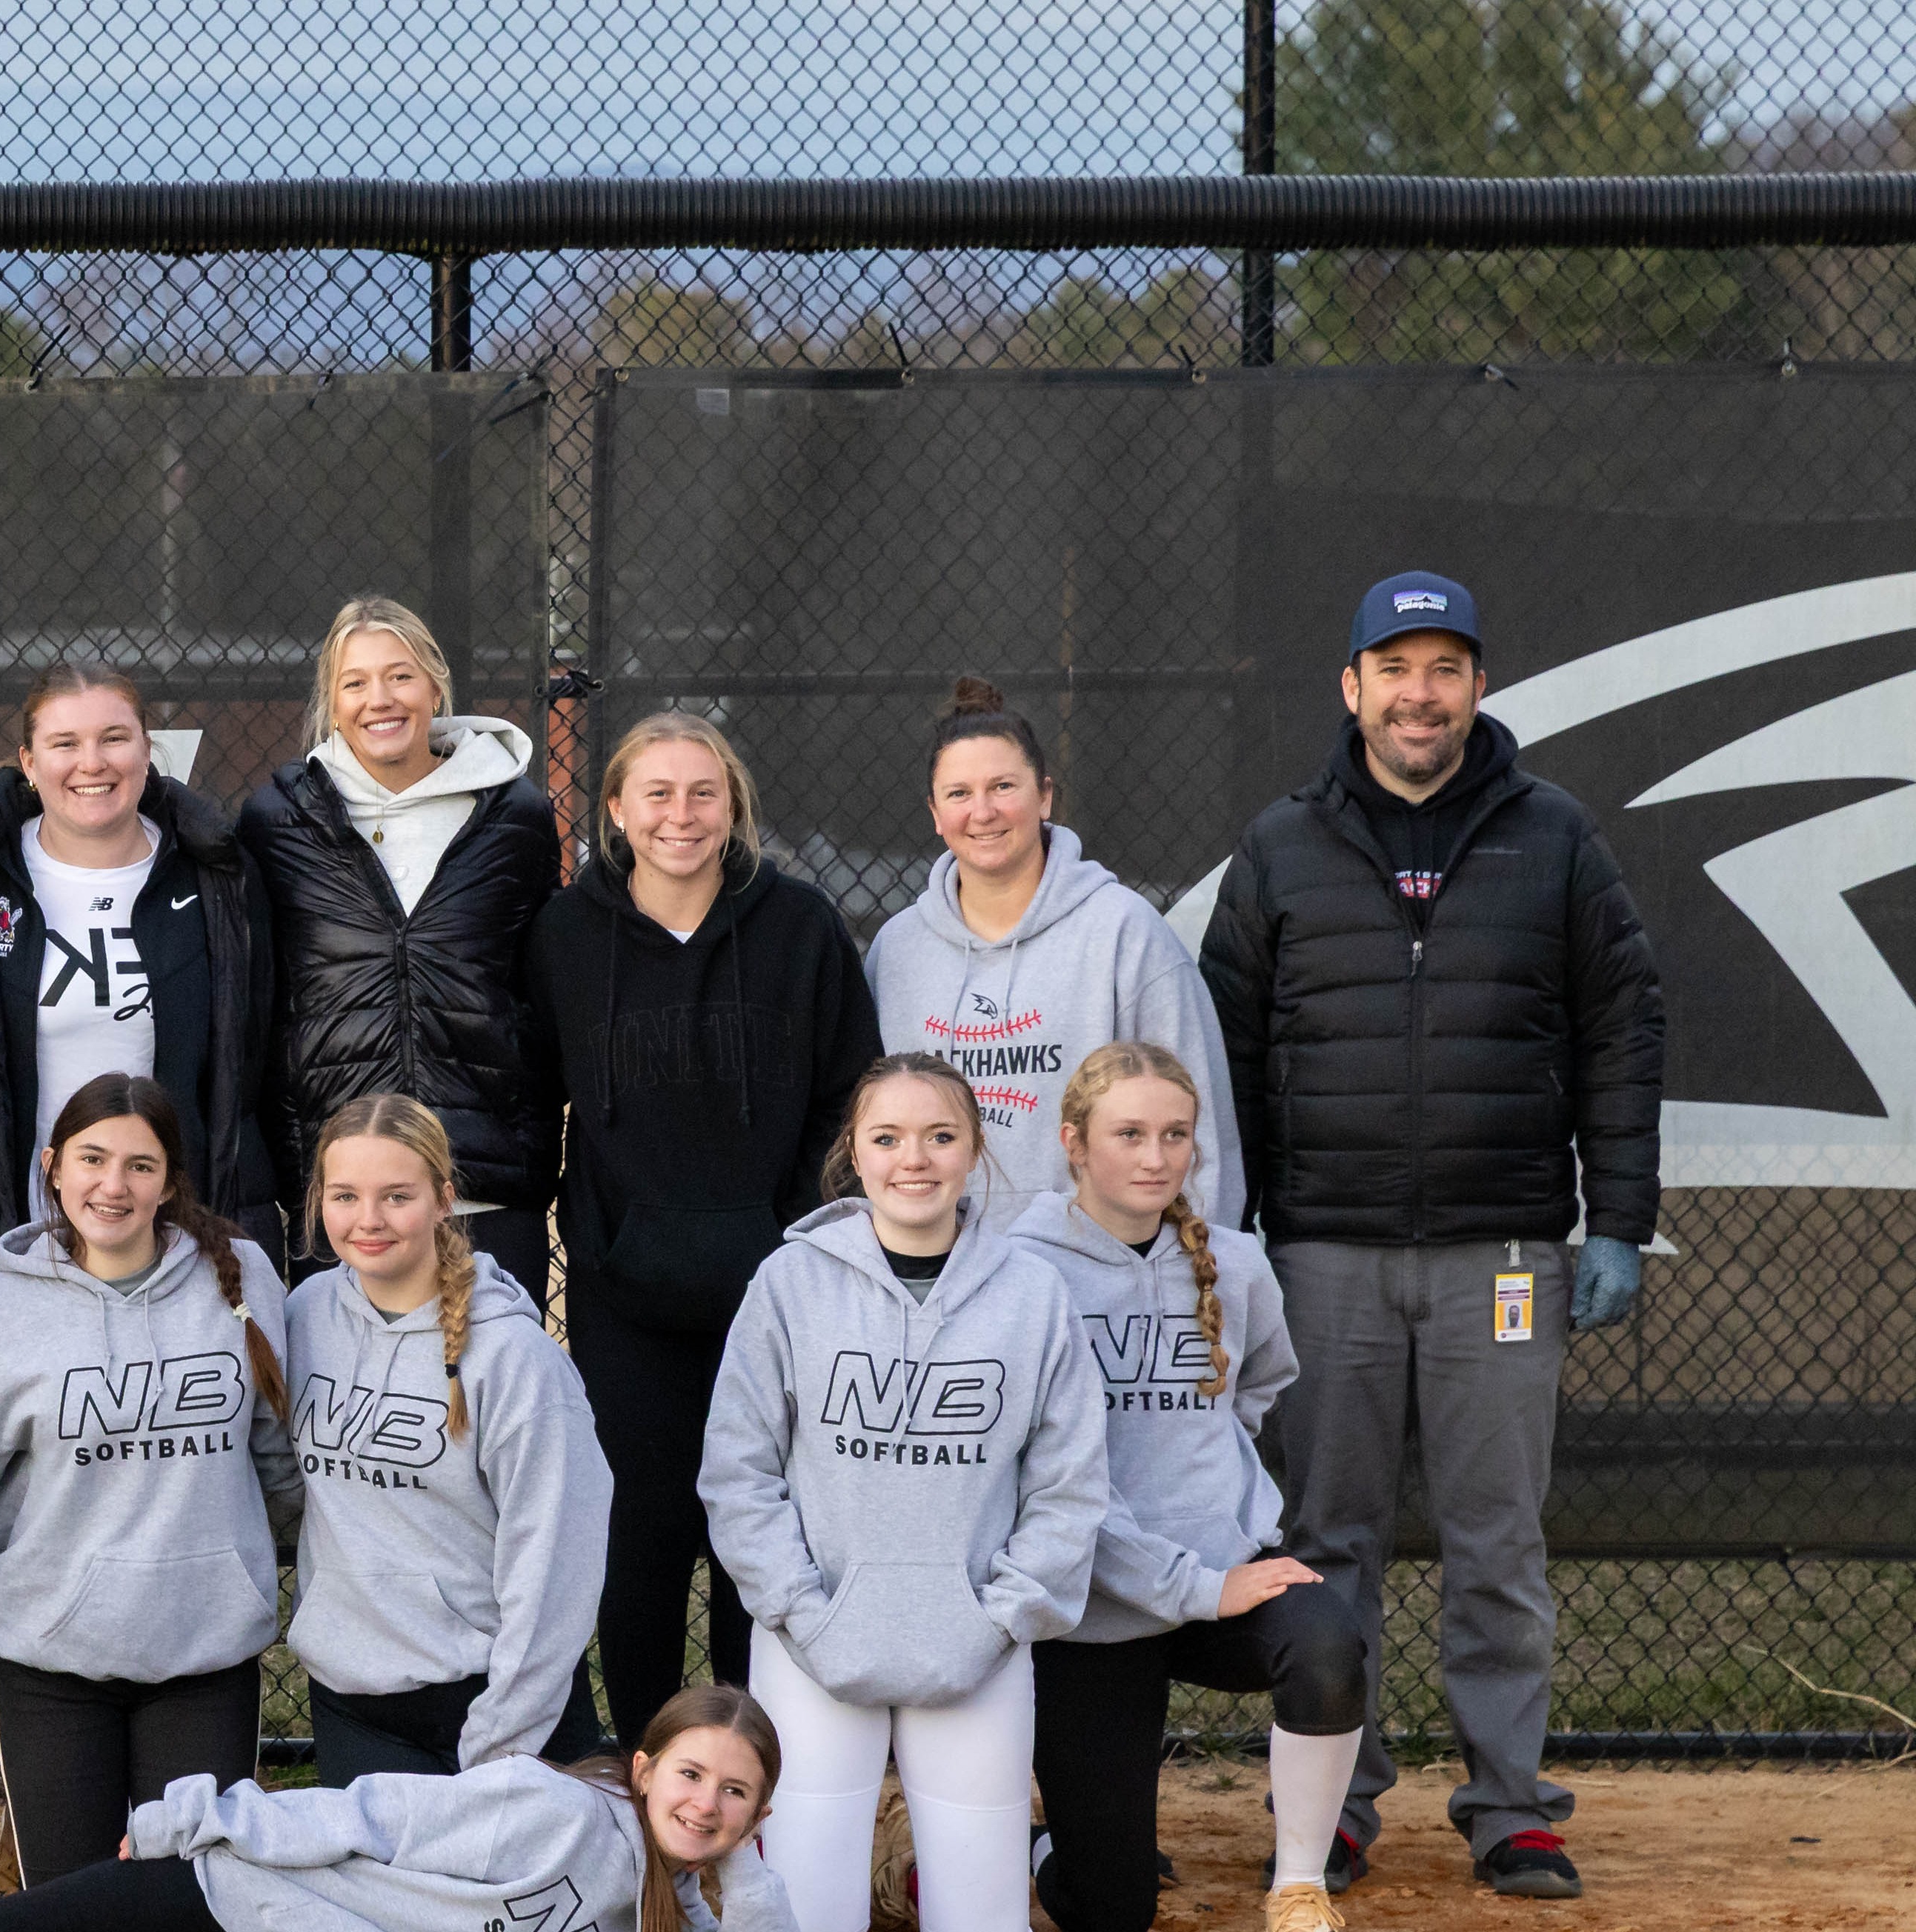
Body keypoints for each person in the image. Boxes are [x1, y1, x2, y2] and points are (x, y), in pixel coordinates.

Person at [1195, 572, 1663, 1902]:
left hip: (1504, 1255)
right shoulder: (1282, 845)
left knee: (1496, 1544)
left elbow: (1624, 1025)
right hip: (1322, 1257)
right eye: (1394, 666)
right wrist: (1231, 1240)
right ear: (1350, 686)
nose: (1420, 691)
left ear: (1476, 686)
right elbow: (1225, 1052)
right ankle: (1334, 1800)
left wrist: (1615, 1217)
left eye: (1445, 666)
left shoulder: (1554, 836)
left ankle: (1511, 1805)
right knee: (1327, 1542)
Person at [521, 710, 878, 1738]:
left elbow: (849, 1097)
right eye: (659, 795)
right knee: (640, 1539)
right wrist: (588, 1231)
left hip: (772, 1296)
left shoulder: (800, 929)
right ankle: (648, 1777)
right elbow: (535, 1092)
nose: (682, 815)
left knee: (752, 1540)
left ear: (734, 810)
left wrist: (792, 1230)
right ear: (619, 813)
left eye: (703, 793)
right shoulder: (565, 938)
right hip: (625, 1297)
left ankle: (746, 1778)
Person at [699, 1056, 1107, 1932]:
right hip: (816, 1642)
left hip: (976, 1644)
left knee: (981, 1907)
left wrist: (1001, 1616)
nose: (912, 1158)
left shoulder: (1032, 1293)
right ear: (854, 1149)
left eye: (939, 1136)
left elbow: (1069, 1485)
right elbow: (739, 1471)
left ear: (975, 1150)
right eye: (886, 1137)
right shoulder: (791, 1282)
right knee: (804, 1901)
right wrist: (802, 1610)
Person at [1017, 1045, 1371, 1932]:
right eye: (1128, 1133)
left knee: (1326, 1643)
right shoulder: (1021, 1272)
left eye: (1176, 1134)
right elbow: (1039, 1476)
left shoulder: (1236, 1263)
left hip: (1223, 1578)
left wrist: (1213, 1508)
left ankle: (1299, 1886)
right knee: (1112, 1907)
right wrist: (1190, 1577)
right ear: (1073, 1142)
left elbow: (1253, 1389)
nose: (1155, 1156)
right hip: (1090, 1605)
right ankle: (1041, 1836)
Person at [0, 1073, 297, 1887]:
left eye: (141, 1165)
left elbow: (280, 1454)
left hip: (205, 1647)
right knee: (68, 1902)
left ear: (171, 1180)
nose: (113, 1185)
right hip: (52, 1657)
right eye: (92, 1159)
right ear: (53, 1166)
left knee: (194, 1895)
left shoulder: (239, 1280)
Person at [0, 1685, 790, 1932]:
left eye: (734, 1793)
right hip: (229, 1899)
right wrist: (199, 1816)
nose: (705, 1805)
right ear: (647, 1765)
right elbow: (367, 1814)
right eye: (694, 1775)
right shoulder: (558, 1815)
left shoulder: (667, 1904)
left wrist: (734, 1856)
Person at [285, 1094, 612, 1782]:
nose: (367, 1220)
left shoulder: (515, 1357)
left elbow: (555, 1561)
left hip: (493, 1699)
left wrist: (504, 1732)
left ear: (444, 1199)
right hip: (354, 1702)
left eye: (396, 1196)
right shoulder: (305, 1317)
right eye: (344, 1195)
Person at [241, 596, 560, 1289]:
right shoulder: (278, 822)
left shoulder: (516, 815)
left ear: (435, 685)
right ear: (332, 699)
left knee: (489, 1392)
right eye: (355, 683)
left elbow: (540, 988)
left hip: (484, 1183)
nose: (379, 700)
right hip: (344, 1190)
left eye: (400, 676)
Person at [0, 661, 273, 1273]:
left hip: (173, 1234)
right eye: (65, 744)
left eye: (114, 738)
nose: (93, 763)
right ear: (30, 764)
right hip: (24, 1234)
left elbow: (250, 1067)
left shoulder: (216, 875)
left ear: (147, 751)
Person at [862, 677, 1236, 1230]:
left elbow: (1197, 1127)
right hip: (941, 1276)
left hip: (1093, 1279)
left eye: (1004, 787)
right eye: (959, 794)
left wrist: (1192, 1277)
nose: (983, 812)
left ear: (1045, 795)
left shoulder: (1124, 934)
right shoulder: (896, 950)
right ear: (935, 814)